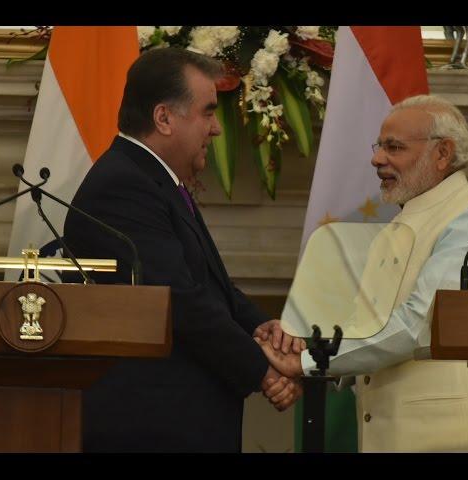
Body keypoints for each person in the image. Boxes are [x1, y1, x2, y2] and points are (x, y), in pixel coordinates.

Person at [63, 48, 303, 452]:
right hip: (149, 430)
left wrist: (259, 328)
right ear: (164, 118)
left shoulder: (151, 178)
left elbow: (206, 284)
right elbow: (178, 300)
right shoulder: (123, 186)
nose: (217, 129)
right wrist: (263, 371)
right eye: (208, 112)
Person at [257, 94, 468, 452]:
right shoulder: (404, 222)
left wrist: (306, 360)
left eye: (394, 147)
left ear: (443, 153)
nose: (377, 159)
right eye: (379, 146)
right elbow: (369, 325)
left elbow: (422, 324)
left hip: (449, 437)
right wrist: (299, 341)